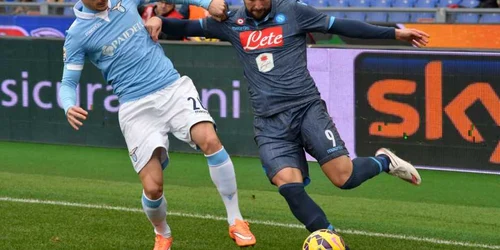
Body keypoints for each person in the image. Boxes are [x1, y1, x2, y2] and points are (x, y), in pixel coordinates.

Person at [145, 0, 430, 243]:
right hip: (269, 123)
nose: (256, 6)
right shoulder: (231, 20)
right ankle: (328, 237)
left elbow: (341, 25)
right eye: (250, 0)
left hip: (306, 109)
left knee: (345, 177)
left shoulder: (294, 12)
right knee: (288, 185)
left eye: (261, 0)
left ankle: (383, 162)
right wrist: (157, 19)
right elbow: (186, 28)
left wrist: (393, 34)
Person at [58, 0, 256, 249]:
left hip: (172, 88)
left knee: (210, 139)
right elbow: (68, 82)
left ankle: (236, 219)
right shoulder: (77, 35)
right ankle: (162, 232)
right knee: (153, 188)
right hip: (135, 107)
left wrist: (207, 3)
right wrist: (68, 105)